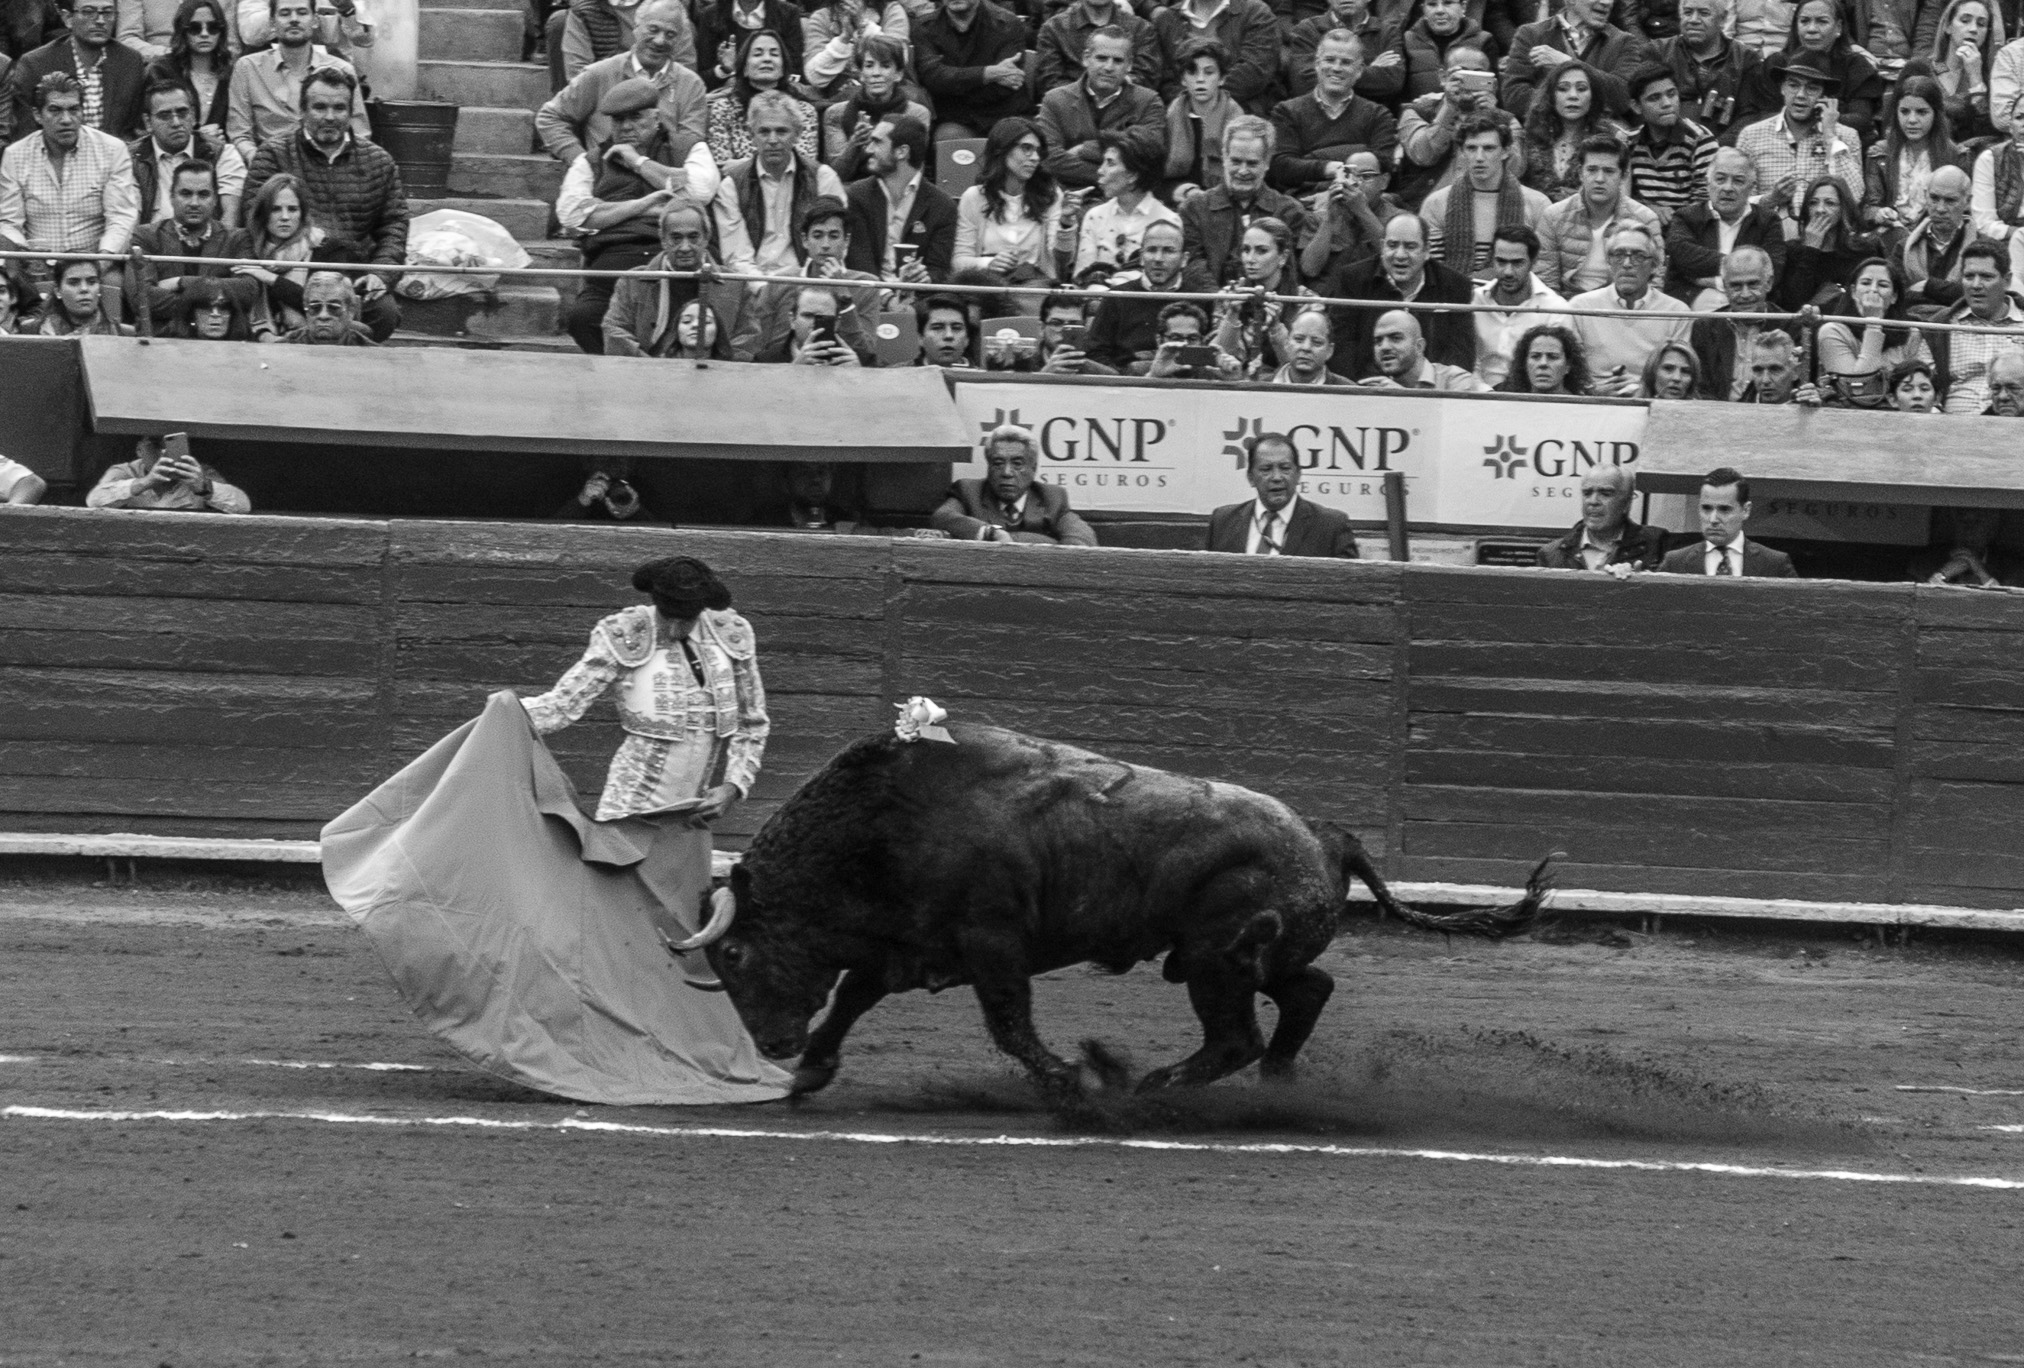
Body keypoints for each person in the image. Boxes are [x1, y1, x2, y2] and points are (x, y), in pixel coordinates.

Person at [323, 553, 789, 1105]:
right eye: (669, 611)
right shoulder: (624, 634)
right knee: (614, 940)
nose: (676, 623)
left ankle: (673, 1040)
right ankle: (597, 1043)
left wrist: (734, 787)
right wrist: (506, 717)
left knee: (680, 940)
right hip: (631, 808)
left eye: (686, 612)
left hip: (691, 820)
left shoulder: (733, 635)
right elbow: (563, 707)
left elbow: (753, 723)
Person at [556, 75, 721, 354]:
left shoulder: (688, 146)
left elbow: (699, 191)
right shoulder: (593, 160)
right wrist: (647, 204)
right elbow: (572, 215)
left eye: (636, 117)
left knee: (686, 324)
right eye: (619, 120)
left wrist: (638, 162)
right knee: (582, 320)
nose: (627, 126)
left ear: (656, 117)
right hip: (612, 263)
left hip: (677, 256)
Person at [243, 65, 405, 341]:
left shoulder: (379, 161)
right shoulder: (273, 153)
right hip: (287, 266)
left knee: (384, 311)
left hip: (350, 273)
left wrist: (381, 273)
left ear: (351, 111)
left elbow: (394, 224)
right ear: (302, 110)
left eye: (339, 108)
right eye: (319, 107)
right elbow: (253, 215)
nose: (330, 117)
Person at [535, 0, 710, 167]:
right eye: (653, 29)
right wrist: (582, 161)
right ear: (636, 28)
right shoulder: (600, 73)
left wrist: (646, 168)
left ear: (680, 40)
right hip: (605, 184)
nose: (659, 40)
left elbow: (689, 145)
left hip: (663, 183)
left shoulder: (691, 85)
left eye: (670, 34)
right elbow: (549, 117)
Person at [0, 72, 139, 269]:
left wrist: (102, 260)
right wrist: (25, 254)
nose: (66, 119)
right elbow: (8, 222)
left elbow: (121, 218)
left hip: (96, 266)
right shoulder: (15, 156)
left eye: (74, 109)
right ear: (37, 115)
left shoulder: (112, 150)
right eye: (55, 110)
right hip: (36, 269)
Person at [1327, 209, 1475, 381]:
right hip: (1366, 389)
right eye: (1392, 245)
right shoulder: (1353, 279)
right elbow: (1341, 347)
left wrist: (1430, 388)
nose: (1400, 255)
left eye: (1410, 247)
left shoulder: (1455, 286)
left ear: (1427, 250)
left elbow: (1461, 354)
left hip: (1432, 392)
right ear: (1382, 246)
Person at [709, 89, 845, 275]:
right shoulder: (732, 184)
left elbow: (833, 247)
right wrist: (765, 290)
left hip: (808, 282)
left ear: (797, 134)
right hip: (753, 287)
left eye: (781, 131)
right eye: (764, 131)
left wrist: (802, 282)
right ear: (751, 135)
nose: (773, 140)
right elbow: (737, 257)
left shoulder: (823, 178)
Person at [1178, 114, 1314, 289]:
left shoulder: (1289, 211)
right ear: (1224, 158)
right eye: (1236, 161)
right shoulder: (1194, 208)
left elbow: (1291, 273)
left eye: (1251, 163)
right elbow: (1193, 265)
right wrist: (1220, 299)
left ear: (1266, 163)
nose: (1243, 171)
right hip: (1211, 306)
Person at [735, 195, 878, 360]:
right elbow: (760, 345)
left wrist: (843, 293)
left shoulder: (866, 285)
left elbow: (866, 353)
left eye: (833, 236)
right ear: (804, 240)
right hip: (784, 371)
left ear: (846, 241)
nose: (825, 244)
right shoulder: (781, 281)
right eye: (817, 235)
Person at [223, 0, 366, 163]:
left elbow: (360, 134)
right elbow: (239, 134)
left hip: (329, 167)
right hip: (269, 169)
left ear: (315, 20)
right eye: (285, 13)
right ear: (271, 22)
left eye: (302, 12)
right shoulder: (248, 68)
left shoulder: (341, 69)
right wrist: (259, 161)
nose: (294, 19)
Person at [603, 199, 748, 356]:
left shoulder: (736, 284)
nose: (685, 247)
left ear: (706, 238)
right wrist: (650, 367)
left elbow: (748, 338)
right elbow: (614, 330)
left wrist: (717, 366)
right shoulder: (632, 282)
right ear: (663, 240)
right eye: (676, 238)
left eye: (693, 237)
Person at [125, 158, 257, 331]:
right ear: (171, 197)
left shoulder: (237, 239)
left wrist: (181, 282)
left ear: (215, 199)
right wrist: (211, 301)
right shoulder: (145, 236)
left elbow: (248, 292)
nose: (194, 203)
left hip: (222, 345)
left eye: (203, 194)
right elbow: (142, 299)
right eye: (186, 194)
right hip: (162, 341)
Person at [1730, 53, 1863, 220]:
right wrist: (1771, 199)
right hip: (1771, 232)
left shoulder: (1846, 136)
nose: (1801, 94)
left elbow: (1855, 195)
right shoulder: (1751, 135)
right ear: (1782, 88)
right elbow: (1736, 201)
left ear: (1824, 96)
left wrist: (1830, 136)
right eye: (1793, 85)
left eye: (1812, 88)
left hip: (1826, 232)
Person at [1418, 111, 1548, 279]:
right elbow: (1431, 269)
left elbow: (1542, 267)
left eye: (1488, 148)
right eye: (1471, 148)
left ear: (1505, 151)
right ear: (1462, 152)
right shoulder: (1436, 203)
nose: (1479, 157)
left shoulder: (1537, 204)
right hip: (1454, 299)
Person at [1266, 29, 1396, 196]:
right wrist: (1335, 166)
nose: (1336, 68)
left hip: (1361, 202)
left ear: (1360, 70)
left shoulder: (1378, 115)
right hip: (1304, 207)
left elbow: (1383, 166)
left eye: (1346, 62)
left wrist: (1311, 159)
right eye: (1329, 60)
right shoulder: (1285, 112)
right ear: (1317, 64)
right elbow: (1282, 168)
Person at [1036, 25, 1165, 191]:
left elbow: (1148, 160)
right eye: (1101, 58)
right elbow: (1050, 160)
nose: (1109, 67)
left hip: (1127, 200)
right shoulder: (1055, 100)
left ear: (1130, 65)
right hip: (1068, 195)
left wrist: (1086, 149)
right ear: (1086, 58)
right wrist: (1117, 173)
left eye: (1118, 60)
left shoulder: (1148, 102)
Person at [1566, 220, 1689, 392]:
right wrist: (1592, 391)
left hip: (1652, 399)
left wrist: (1643, 389)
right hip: (1593, 401)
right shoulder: (1580, 307)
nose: (1627, 264)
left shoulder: (1677, 312)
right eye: (1619, 255)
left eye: (1638, 256)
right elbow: (1569, 371)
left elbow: (1680, 376)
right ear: (1609, 262)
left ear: (1654, 265)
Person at [1737, 0, 1884, 143]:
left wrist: (1821, 119)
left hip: (1838, 141)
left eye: (1822, 21)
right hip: (1777, 144)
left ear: (1838, 27)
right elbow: (1762, 114)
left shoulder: (1856, 65)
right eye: (1804, 21)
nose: (1811, 29)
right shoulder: (1776, 64)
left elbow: (1861, 119)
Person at [1534, 132, 1662, 295]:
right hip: (1566, 306)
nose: (1599, 178)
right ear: (1580, 173)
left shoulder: (1645, 219)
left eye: (1609, 171)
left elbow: (1655, 279)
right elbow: (1545, 281)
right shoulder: (1553, 216)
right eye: (1592, 170)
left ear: (1623, 176)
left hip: (1622, 305)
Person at [1, 0, 144, 144]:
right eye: (89, 12)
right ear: (67, 19)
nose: (100, 20)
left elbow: (135, 130)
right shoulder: (35, 64)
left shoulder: (130, 62)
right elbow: (26, 135)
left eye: (107, 12)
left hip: (115, 159)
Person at [1395, 46, 1522, 207]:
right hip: (1427, 207)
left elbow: (1515, 170)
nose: (1466, 83)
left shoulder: (1507, 121)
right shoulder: (1417, 112)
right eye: (1461, 74)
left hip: (1487, 206)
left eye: (1476, 74)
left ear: (1492, 83)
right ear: (1443, 77)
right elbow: (1423, 156)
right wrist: (1449, 108)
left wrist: (1492, 117)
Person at [931, 424, 1099, 545]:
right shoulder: (969, 491)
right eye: (998, 463)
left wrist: (1011, 541)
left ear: (1033, 468)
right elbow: (942, 517)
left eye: (1017, 464)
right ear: (989, 467)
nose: (1007, 472)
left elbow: (1082, 542)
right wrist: (991, 533)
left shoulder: (1052, 498)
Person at [1663, 145, 1784, 306]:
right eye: (1720, 179)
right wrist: (1745, 268)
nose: (1728, 188)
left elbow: (1773, 270)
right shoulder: (1686, 217)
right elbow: (1683, 256)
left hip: (1751, 302)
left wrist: (1716, 282)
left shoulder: (1768, 221)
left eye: (1738, 181)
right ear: (1708, 183)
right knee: (1716, 303)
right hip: (1690, 300)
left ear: (1752, 187)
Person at [953, 116, 1070, 281]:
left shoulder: (1050, 195)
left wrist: (1066, 223)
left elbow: (1060, 260)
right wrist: (988, 263)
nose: (1035, 157)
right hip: (987, 287)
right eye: (1027, 148)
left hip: (1034, 287)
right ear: (1002, 149)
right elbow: (958, 262)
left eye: (1038, 151)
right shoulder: (974, 197)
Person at [842, 113, 957, 282]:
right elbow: (859, 262)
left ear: (902, 151)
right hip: (869, 297)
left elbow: (939, 269)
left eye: (877, 142)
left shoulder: (942, 205)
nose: (868, 149)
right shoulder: (857, 195)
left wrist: (925, 278)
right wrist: (887, 297)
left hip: (918, 299)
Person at [1205, 431, 1359, 557]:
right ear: (1251, 478)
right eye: (1266, 469)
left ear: (1298, 474)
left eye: (1285, 468)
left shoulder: (1331, 526)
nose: (1277, 477)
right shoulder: (1222, 522)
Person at [1498, 0, 1648, 122]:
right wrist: (1572, 108)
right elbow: (1514, 96)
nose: (1606, 2)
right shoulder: (1530, 34)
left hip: (1601, 147)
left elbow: (1623, 97)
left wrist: (1566, 63)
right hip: (1545, 141)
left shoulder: (1625, 42)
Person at [129, 74, 242, 226]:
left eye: (182, 113)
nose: (176, 123)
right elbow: (129, 219)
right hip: (151, 246)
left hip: (208, 243)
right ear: (148, 122)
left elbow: (231, 216)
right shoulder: (130, 158)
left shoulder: (222, 154)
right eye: (165, 115)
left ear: (194, 115)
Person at [914, 0, 1034, 141]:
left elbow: (1007, 84)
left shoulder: (1007, 23)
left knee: (1021, 141)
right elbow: (932, 78)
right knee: (948, 138)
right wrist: (988, 73)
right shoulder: (924, 27)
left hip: (1006, 112)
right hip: (955, 118)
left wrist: (952, 85)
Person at [1211, 215, 1314, 378]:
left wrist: (1276, 329)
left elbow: (1301, 369)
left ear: (1283, 257)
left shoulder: (1306, 302)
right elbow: (1214, 358)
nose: (1250, 259)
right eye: (1246, 250)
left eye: (1261, 251)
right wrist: (1232, 316)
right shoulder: (1228, 295)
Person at [1864, 75, 1966, 238]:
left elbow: (1963, 211)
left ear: (1936, 114)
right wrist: (1880, 213)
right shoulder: (1879, 153)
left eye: (1921, 112)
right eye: (1904, 111)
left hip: (1937, 236)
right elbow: (1869, 207)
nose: (1912, 120)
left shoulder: (1956, 156)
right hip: (1890, 235)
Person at [820, 33, 928, 181]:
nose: (876, 73)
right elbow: (835, 177)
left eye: (885, 66)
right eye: (869, 65)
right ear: (861, 75)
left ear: (898, 74)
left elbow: (912, 173)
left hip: (895, 190)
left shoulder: (916, 114)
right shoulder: (835, 113)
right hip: (849, 192)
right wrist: (855, 144)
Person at [1932, 241, 2024, 411]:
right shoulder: (1941, 326)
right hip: (1952, 429)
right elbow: (1924, 385)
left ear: (2007, 280)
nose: (1975, 285)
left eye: (1986, 277)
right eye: (1969, 277)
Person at [704, 29, 817, 167]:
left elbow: (804, 165)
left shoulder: (804, 111)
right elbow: (723, 166)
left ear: (783, 68)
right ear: (744, 67)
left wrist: (743, 165)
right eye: (758, 54)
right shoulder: (724, 109)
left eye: (774, 54)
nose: (767, 59)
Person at [1657, 465, 1798, 575]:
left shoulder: (1774, 564)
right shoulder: (1674, 563)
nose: (1713, 519)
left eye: (1724, 509)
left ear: (1746, 510)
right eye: (1706, 508)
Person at [1648, 0, 1758, 141]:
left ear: (1723, 19)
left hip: (1722, 150)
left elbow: (1749, 115)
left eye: (1704, 13)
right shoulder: (1658, 52)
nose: (1693, 20)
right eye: (1687, 12)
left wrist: (1717, 147)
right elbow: (1645, 106)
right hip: (1666, 143)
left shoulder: (1745, 58)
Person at [1473, 223, 1568, 385]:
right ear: (1492, 259)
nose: (1508, 271)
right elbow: (1464, 363)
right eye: (1501, 262)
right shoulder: (1473, 301)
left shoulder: (1555, 309)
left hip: (1529, 399)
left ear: (1533, 262)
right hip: (1473, 396)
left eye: (1517, 263)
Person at [1519, 59, 1625, 204]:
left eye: (1581, 89)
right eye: (1563, 88)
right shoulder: (1531, 137)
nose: (1573, 95)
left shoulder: (1611, 139)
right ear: (1551, 95)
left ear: (1593, 96)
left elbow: (1621, 198)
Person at [1085, 216, 1184, 370]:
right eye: (1151, 250)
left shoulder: (1199, 297)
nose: (1158, 258)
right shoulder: (1117, 296)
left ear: (1184, 259)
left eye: (1168, 251)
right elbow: (1096, 353)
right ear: (1141, 257)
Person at [1072, 132, 1178, 275]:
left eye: (1110, 163)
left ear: (1132, 175)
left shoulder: (1168, 221)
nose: (1100, 170)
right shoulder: (1095, 216)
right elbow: (1082, 276)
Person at [1898, 0, 2002, 146]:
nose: (1973, 29)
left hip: (1967, 159)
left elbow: (1987, 137)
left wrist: (1976, 79)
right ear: (1948, 26)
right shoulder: (1919, 69)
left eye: (1981, 24)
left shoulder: (1989, 78)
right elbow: (1895, 124)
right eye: (1965, 20)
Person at [1149, 0, 1280, 115]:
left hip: (1244, 114)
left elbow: (1255, 71)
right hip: (1182, 117)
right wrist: (1191, 103)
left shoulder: (1255, 13)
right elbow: (1165, 79)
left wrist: (1203, 99)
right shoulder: (1166, 20)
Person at [1687, 244, 1783, 398]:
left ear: (1769, 283)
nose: (1745, 294)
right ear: (1724, 286)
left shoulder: (1789, 325)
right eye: (1736, 286)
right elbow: (1701, 389)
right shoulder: (1704, 327)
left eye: (1753, 284)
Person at [1623, 62, 1712, 223]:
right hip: (1640, 226)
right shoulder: (1628, 142)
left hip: (1689, 230)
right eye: (1654, 98)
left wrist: (1674, 219)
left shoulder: (1700, 140)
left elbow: (1705, 202)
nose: (1666, 103)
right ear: (1636, 106)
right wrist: (1649, 210)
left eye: (1671, 94)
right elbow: (1623, 198)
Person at [1774, 174, 1877, 309]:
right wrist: (1810, 249)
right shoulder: (1791, 250)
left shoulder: (1862, 250)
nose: (1820, 210)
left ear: (1843, 209)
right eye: (1813, 203)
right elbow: (1793, 304)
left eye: (1830, 203)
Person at [1535, 463, 1666, 569]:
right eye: (1587, 493)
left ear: (1626, 502)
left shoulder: (1656, 544)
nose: (1593, 501)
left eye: (1605, 493)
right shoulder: (1551, 555)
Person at [1372, 0, 1496, 109]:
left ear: (1463, 7)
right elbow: (1398, 98)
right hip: (1419, 120)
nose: (1440, 10)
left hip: (1471, 119)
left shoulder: (1484, 40)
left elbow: (1492, 90)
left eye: (1448, 3)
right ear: (1423, 9)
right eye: (1432, 4)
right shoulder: (1407, 40)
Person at [1163, 36, 1241, 203]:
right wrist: (1181, 192)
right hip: (1179, 200)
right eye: (1192, 72)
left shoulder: (1237, 119)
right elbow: (1156, 177)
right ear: (1182, 79)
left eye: (1209, 72)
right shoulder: (1170, 116)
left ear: (1222, 78)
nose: (1200, 79)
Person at [86, 434, 250, 510]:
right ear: (139, 450)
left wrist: (204, 487)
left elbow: (243, 505)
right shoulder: (125, 471)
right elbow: (94, 500)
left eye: (170, 445)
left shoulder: (196, 472)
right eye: (155, 445)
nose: (164, 453)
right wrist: (145, 482)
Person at [1897, 163, 1975, 314]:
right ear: (1925, 195)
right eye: (1934, 198)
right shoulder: (1904, 247)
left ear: (1968, 202)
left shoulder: (1982, 248)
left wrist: (1928, 286)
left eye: (1950, 200)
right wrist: (1950, 294)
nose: (1940, 208)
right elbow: (1897, 296)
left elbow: (1977, 295)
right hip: (1912, 326)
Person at [143, 0, 231, 134]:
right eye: (195, 28)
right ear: (182, 31)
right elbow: (150, 126)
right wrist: (198, 136)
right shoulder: (160, 70)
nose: (204, 34)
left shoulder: (231, 73)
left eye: (213, 27)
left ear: (221, 31)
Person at [800, 0, 908, 99]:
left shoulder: (891, 10)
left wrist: (863, 26)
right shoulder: (821, 17)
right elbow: (814, 77)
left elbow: (900, 59)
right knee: (851, 95)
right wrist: (844, 38)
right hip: (840, 92)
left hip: (890, 88)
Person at [692, 0, 804, 94]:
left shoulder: (788, 13)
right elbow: (702, 78)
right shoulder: (710, 15)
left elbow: (795, 70)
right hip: (727, 96)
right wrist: (725, 69)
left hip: (777, 93)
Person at [1971, 98, 2024, 293]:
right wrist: (2018, 235)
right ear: (2010, 126)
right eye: (2019, 117)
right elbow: (1983, 222)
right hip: (2002, 244)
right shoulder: (1990, 159)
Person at [1362, 307, 1486, 388]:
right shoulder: (1377, 388)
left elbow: (1454, 425)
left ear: (1419, 346)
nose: (1384, 347)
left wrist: (1402, 398)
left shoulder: (1455, 380)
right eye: (1378, 341)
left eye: (1395, 338)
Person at [37, 255, 131, 333]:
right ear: (58, 291)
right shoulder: (38, 331)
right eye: (73, 283)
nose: (84, 289)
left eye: (92, 282)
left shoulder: (117, 333)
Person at [1145, 298, 1236, 377]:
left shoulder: (1213, 373)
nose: (1185, 344)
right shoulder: (1139, 369)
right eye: (1176, 338)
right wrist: (1153, 375)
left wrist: (1233, 381)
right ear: (1159, 340)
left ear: (1202, 341)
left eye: (1192, 338)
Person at [1494, 319, 1590, 393]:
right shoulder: (1509, 405)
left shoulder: (1583, 408)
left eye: (1553, 357)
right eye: (1535, 356)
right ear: (1524, 364)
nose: (1543, 363)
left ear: (1568, 366)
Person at [277, 268, 373, 342]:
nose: (323, 315)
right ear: (306, 308)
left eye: (334, 307)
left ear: (351, 311)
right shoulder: (283, 349)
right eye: (315, 307)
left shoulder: (372, 354)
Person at [553, 457, 660, 523]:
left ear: (632, 464)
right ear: (587, 462)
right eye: (604, 459)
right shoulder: (566, 484)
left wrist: (635, 511)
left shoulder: (643, 489)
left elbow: (663, 534)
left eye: (621, 458)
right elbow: (547, 531)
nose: (613, 464)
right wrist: (581, 502)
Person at [1737, 326, 1822, 403]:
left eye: (1775, 369)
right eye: (1758, 370)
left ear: (1796, 372)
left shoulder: (1811, 404)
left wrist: (1816, 413)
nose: (1765, 380)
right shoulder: (1737, 412)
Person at [1269, 305, 1350, 384]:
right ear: (1286, 343)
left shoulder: (1350, 393)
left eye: (1317, 342)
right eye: (1299, 339)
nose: (1306, 347)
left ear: (1329, 350)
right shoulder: (1260, 387)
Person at [170, 272, 253, 338]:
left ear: (232, 313)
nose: (215, 314)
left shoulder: (251, 349)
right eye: (205, 306)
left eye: (224, 306)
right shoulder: (167, 346)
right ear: (191, 313)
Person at [915, 291, 972, 365]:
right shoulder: (899, 375)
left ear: (967, 339)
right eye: (937, 328)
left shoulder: (983, 376)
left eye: (956, 328)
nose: (949, 335)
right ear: (920, 338)